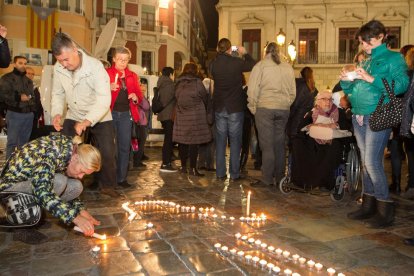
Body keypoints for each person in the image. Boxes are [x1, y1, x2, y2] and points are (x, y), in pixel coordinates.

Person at [340, 20, 409, 228]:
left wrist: (371, 79)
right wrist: (346, 81)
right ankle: (368, 204)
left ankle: (384, 207)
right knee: (365, 162)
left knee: (372, 162)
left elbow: (403, 84)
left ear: (380, 37)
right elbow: (352, 92)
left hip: (377, 115)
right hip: (359, 115)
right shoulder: (366, 61)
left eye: (366, 42)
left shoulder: (394, 58)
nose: (364, 46)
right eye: (362, 42)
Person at [50, 32, 119, 198]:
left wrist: (87, 121)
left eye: (66, 59)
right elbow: (57, 94)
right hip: (74, 113)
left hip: (100, 114)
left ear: (75, 49)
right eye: (60, 61)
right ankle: (65, 184)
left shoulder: (95, 67)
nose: (64, 65)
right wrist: (57, 113)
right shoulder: (58, 68)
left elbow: (104, 98)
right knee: (65, 149)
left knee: (107, 152)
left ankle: (107, 185)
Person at [0, 134, 101, 244]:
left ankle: (36, 216)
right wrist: (75, 217)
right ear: (75, 157)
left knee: (76, 186)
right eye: (82, 171)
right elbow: (43, 192)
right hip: (7, 192)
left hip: (28, 185)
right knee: (58, 181)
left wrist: (80, 210)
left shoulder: (66, 151)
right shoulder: (50, 152)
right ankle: (22, 226)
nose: (81, 176)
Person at [247, 42, 296, 187]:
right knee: (279, 144)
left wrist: (253, 107)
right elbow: (293, 92)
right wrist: (286, 103)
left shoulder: (260, 66)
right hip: (283, 109)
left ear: (265, 51)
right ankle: (280, 177)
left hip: (265, 107)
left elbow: (252, 90)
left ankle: (267, 178)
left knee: (267, 145)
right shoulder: (288, 67)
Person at [210, 38, 256, 181]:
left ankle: (220, 173)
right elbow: (253, 64)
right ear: (230, 49)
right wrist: (244, 52)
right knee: (235, 141)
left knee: (220, 141)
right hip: (235, 107)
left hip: (219, 107)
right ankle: (234, 173)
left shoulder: (213, 64)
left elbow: (221, 57)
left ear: (218, 49)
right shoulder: (236, 63)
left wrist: (228, 51)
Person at [291, 90, 352, 190]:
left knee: (333, 147)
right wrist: (312, 126)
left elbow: (347, 129)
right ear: (317, 101)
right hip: (314, 142)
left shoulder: (340, 112)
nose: (327, 102)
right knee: (298, 142)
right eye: (324, 99)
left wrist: (335, 125)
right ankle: (303, 181)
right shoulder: (312, 113)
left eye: (330, 99)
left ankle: (321, 182)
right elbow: (300, 128)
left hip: (332, 141)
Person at [106, 46, 142, 188]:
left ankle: (122, 178)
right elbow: (96, 92)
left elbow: (139, 95)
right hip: (109, 113)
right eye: (120, 59)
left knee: (124, 147)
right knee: (109, 148)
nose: (123, 62)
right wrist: (107, 87)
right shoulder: (106, 73)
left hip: (126, 115)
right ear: (114, 59)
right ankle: (108, 178)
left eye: (125, 60)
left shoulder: (132, 76)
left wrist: (135, 97)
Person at [173, 62, 212, 176]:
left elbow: (176, 97)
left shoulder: (178, 83)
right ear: (196, 71)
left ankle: (184, 167)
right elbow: (205, 97)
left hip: (181, 115)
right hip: (195, 116)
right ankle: (193, 169)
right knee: (194, 143)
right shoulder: (197, 82)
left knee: (182, 142)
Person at [0, 55, 36, 159]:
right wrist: (18, 97)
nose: (23, 65)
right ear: (14, 64)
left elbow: (32, 97)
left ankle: (21, 166)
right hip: (14, 114)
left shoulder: (29, 81)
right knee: (12, 143)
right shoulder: (6, 78)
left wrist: (32, 110)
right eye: (20, 63)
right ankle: (8, 168)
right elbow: (2, 95)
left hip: (28, 115)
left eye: (25, 63)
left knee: (24, 144)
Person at [286, 66, 318, 142]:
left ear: (301, 74)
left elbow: (296, 103)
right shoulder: (312, 87)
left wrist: (288, 116)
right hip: (306, 119)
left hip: (297, 120)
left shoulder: (300, 85)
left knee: (294, 144)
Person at [157, 66, 177, 172]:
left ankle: (167, 160)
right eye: (173, 74)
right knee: (168, 140)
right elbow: (168, 99)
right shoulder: (169, 85)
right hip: (168, 115)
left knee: (168, 139)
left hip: (163, 115)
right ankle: (165, 163)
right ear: (170, 74)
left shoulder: (161, 83)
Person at [133, 79, 150, 168]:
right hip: (140, 122)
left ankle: (137, 160)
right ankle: (137, 161)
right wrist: (142, 95)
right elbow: (146, 106)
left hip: (140, 121)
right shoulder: (139, 96)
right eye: (142, 88)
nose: (144, 89)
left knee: (138, 143)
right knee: (140, 143)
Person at [25, 67, 45, 140]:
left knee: (32, 138)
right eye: (28, 73)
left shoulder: (35, 88)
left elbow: (38, 102)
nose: (30, 75)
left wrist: (37, 114)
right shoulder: (19, 86)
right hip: (22, 117)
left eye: (32, 74)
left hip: (33, 117)